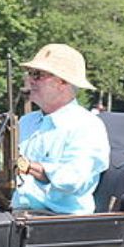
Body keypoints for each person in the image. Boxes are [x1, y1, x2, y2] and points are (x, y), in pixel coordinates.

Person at [12, 43, 110, 215]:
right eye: (30, 73)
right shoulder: (26, 122)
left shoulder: (87, 125)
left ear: (62, 81)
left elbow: (73, 179)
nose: (30, 80)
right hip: (14, 216)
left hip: (61, 223)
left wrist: (26, 166)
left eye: (37, 74)